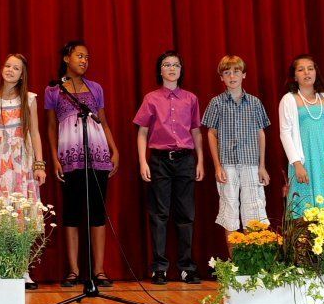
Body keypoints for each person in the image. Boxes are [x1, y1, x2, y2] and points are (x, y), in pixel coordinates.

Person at [45, 40, 119, 287]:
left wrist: (114, 150)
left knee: (97, 212)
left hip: (97, 156)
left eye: (87, 57)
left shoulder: (95, 88)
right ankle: (74, 271)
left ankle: (99, 270)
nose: (84, 61)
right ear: (66, 58)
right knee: (72, 213)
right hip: (69, 158)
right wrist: (54, 157)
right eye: (79, 56)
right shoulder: (54, 90)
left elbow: (103, 122)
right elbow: (51, 127)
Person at [134, 50, 203, 284]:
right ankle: (159, 268)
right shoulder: (151, 98)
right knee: (159, 214)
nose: (172, 69)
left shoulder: (191, 99)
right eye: (166, 65)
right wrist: (143, 161)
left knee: (186, 215)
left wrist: (200, 160)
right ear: (160, 70)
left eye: (176, 65)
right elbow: (142, 132)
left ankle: (186, 267)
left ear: (181, 70)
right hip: (160, 160)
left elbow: (196, 131)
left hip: (185, 159)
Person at [0, 53, 45, 287]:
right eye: (7, 66)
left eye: (16, 68)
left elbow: (35, 133)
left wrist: (39, 164)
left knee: (21, 215)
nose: (10, 70)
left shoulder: (29, 99)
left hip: (21, 163)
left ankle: (22, 269)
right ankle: (2, 268)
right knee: (0, 213)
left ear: (22, 74)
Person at [201, 55, 271, 253]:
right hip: (227, 164)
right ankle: (236, 263)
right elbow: (211, 134)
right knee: (230, 210)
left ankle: (252, 263)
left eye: (236, 72)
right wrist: (217, 166)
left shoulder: (255, 103)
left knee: (253, 210)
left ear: (244, 75)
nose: (232, 76)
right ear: (221, 77)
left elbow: (261, 133)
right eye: (227, 73)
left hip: (251, 163)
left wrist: (262, 166)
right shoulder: (216, 103)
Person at [278, 54, 324, 216]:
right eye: (301, 70)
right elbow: (285, 134)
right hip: (303, 162)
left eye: (310, 68)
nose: (306, 72)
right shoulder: (288, 100)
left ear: (316, 72)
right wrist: (297, 164)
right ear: (294, 76)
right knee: (304, 212)